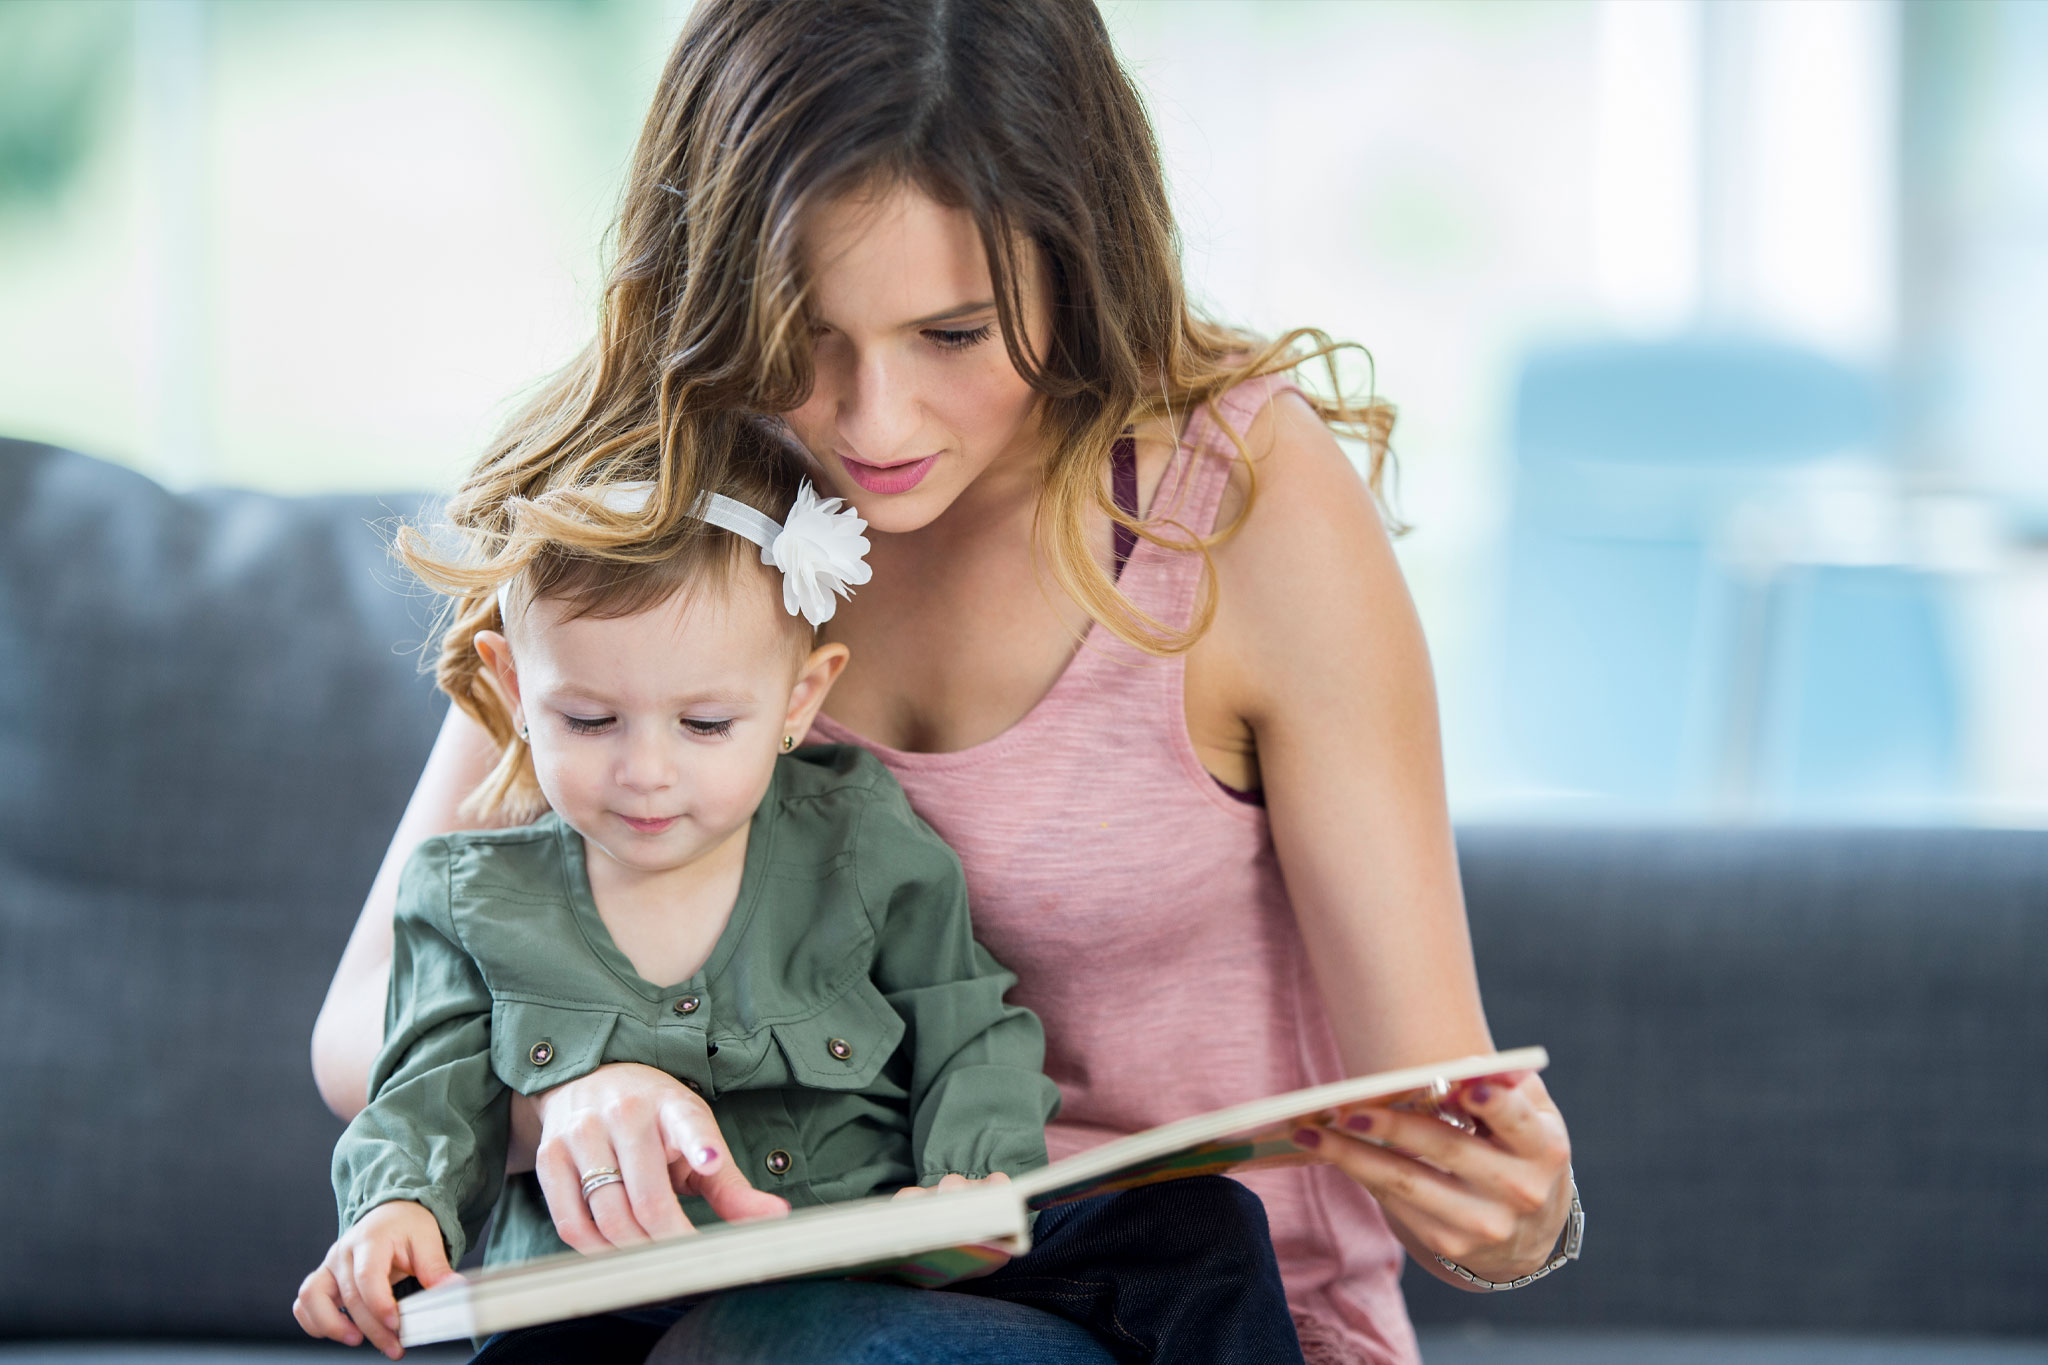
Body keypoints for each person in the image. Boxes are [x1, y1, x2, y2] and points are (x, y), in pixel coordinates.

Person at [312, 2, 1579, 1362]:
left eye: (955, 335)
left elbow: (1441, 1111)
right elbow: (365, 1019)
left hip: (1178, 1316)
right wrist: (576, 1093)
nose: (873, 421)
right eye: (803, 330)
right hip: (759, 1284)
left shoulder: (1243, 507)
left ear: (1078, 264)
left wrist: (1519, 1218)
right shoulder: (671, 508)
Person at [293, 437, 1308, 1364]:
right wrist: (394, 1210)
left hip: (874, 1243)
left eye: (703, 723)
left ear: (799, 700)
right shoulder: (468, 894)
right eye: (590, 718)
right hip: (599, 1292)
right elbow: (423, 1090)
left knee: (1201, 1225)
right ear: (514, 688)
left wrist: (971, 1177)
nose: (646, 772)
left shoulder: (857, 837)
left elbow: (967, 1024)